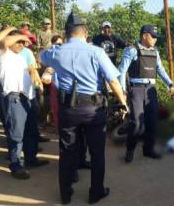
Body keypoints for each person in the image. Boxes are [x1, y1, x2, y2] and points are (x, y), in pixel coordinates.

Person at [40, 12, 128, 205]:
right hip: (92, 108)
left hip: (67, 109)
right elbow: (112, 80)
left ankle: (65, 194)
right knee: (97, 152)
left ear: (66, 33)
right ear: (85, 32)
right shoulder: (96, 52)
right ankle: (95, 192)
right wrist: (122, 102)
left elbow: (41, 57)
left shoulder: (55, 52)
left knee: (67, 151)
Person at [0, 27, 49, 180]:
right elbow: (0, 41)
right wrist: (14, 31)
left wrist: (36, 79)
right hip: (14, 98)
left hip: (27, 98)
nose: (22, 44)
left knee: (31, 131)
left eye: (24, 43)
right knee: (16, 135)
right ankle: (16, 165)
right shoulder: (2, 53)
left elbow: (29, 71)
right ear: (10, 41)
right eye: (19, 42)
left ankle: (31, 159)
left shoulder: (20, 57)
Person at [118, 25, 174, 163]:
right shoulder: (132, 51)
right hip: (136, 89)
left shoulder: (155, 52)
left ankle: (148, 149)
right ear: (144, 36)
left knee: (152, 120)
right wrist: (122, 90)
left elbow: (160, 70)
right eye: (153, 36)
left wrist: (170, 84)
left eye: (156, 37)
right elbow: (122, 71)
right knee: (137, 122)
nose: (155, 40)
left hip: (151, 89)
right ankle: (130, 149)